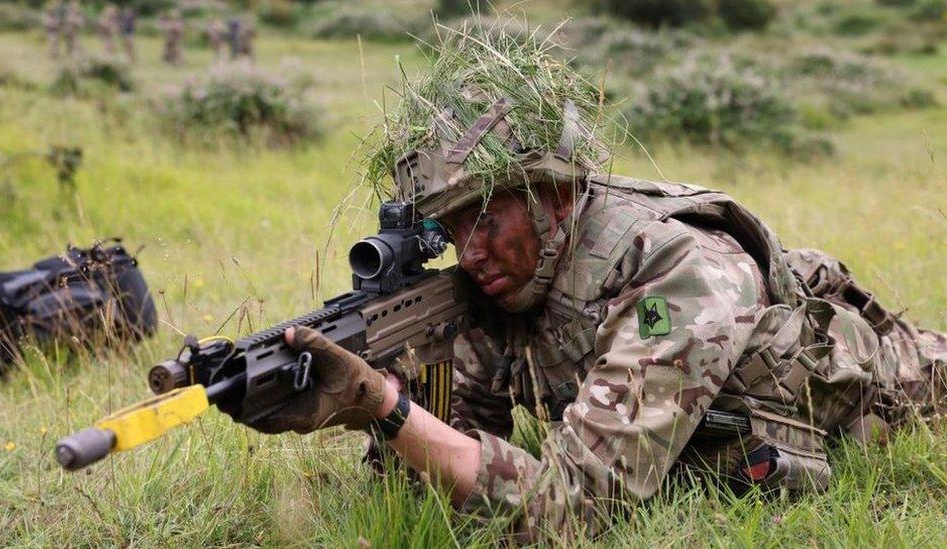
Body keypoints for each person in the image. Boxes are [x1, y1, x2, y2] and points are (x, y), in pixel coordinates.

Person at [227, 30, 947, 540]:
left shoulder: (676, 273)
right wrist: (381, 408)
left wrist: (384, 406)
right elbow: (445, 471)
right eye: (448, 226)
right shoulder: (504, 279)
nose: (468, 249)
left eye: (484, 216)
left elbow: (576, 509)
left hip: (896, 388)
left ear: (557, 197)